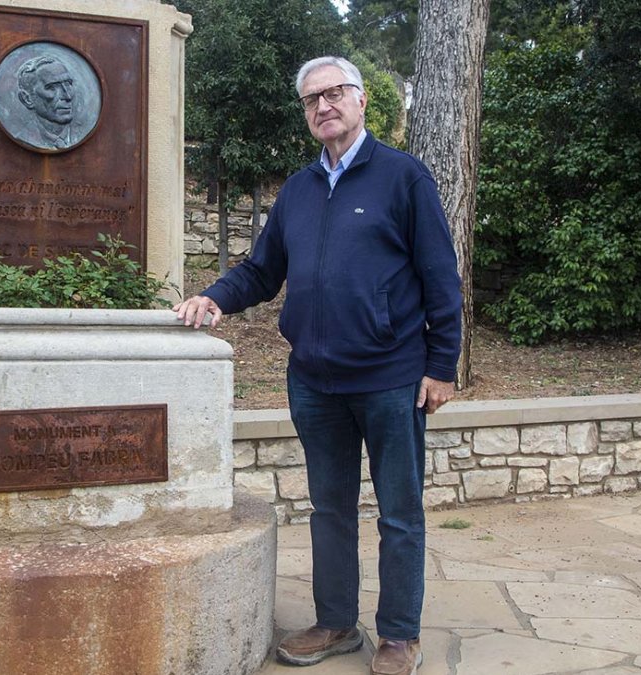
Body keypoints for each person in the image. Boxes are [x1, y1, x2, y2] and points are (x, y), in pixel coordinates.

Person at [174, 56, 462, 675]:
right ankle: (336, 622)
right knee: (329, 508)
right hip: (314, 381)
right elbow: (261, 270)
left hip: (391, 378)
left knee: (399, 511)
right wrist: (214, 296)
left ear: (360, 102)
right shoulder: (298, 191)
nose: (323, 106)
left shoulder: (404, 178)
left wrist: (442, 366)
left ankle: (399, 635)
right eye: (311, 100)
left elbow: (442, 278)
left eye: (334, 94)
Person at [15, 54, 81, 150]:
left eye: (68, 84)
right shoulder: (24, 138)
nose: (68, 96)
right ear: (27, 99)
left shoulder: (83, 132)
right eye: (52, 87)